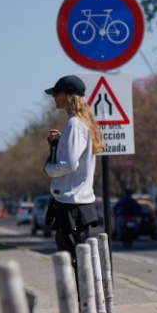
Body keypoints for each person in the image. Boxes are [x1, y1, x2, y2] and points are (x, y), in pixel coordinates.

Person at [44, 75, 104, 264]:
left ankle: (83, 294)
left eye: (56, 93)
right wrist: (58, 143)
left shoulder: (74, 124)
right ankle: (85, 293)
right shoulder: (80, 123)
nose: (53, 96)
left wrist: (48, 168)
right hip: (76, 206)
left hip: (72, 206)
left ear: (69, 96)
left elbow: (69, 164)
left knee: (74, 261)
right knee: (78, 258)